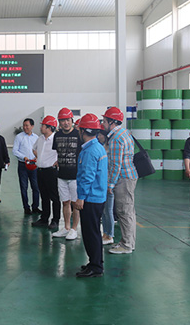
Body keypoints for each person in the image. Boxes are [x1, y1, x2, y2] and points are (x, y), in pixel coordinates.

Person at [73, 113, 108, 278]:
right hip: (97, 196)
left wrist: (81, 197)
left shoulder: (90, 151)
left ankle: (96, 267)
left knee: (90, 233)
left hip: (90, 198)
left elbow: (87, 177)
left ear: (83, 131)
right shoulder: (98, 147)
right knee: (94, 232)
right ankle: (95, 262)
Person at [102, 107, 138, 255]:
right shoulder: (125, 133)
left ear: (112, 122)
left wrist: (110, 184)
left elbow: (116, 164)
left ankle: (127, 245)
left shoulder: (116, 138)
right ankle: (129, 242)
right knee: (128, 211)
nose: (103, 124)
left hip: (123, 178)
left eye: (104, 121)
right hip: (129, 176)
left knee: (124, 211)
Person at [51, 108, 82, 241]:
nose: (65, 123)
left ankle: (74, 229)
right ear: (59, 122)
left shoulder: (78, 134)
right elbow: (58, 152)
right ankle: (66, 228)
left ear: (72, 121)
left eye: (68, 120)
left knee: (75, 204)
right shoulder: (57, 135)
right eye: (63, 120)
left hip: (75, 176)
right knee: (65, 202)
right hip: (62, 175)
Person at [31, 115, 60, 230]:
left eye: (43, 125)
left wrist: (58, 161)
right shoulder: (40, 139)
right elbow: (34, 149)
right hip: (40, 171)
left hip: (51, 172)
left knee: (54, 197)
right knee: (44, 196)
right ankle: (44, 218)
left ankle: (55, 220)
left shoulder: (56, 139)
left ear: (49, 127)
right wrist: (40, 158)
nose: (41, 127)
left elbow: (62, 152)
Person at [12, 118, 41, 215]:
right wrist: (23, 157)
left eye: (27, 125)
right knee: (23, 187)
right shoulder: (19, 137)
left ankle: (35, 207)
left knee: (36, 187)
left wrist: (37, 157)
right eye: (24, 125)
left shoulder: (36, 137)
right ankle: (26, 207)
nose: (25, 127)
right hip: (23, 165)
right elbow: (15, 151)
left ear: (32, 126)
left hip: (34, 165)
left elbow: (38, 150)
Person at [97, 132, 114, 245]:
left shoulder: (111, 147)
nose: (99, 137)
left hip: (109, 183)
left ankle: (110, 235)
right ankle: (105, 233)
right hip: (103, 182)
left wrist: (111, 183)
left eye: (100, 135)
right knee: (103, 211)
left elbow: (113, 166)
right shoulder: (102, 147)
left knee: (108, 210)